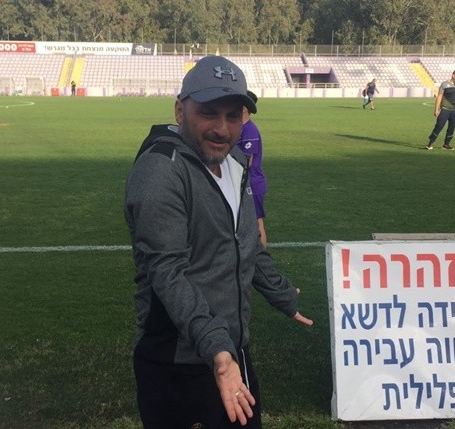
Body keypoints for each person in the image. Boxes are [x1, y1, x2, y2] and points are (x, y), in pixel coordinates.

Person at [123, 55, 313, 429]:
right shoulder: (161, 171)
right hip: (179, 364)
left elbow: (247, 244)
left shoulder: (235, 162)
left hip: (230, 353)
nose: (222, 129)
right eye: (209, 113)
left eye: (233, 115)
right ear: (180, 110)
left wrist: (281, 294)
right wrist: (219, 351)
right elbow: (168, 274)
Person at [237, 90, 268, 247]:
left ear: (244, 108)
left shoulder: (249, 130)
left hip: (252, 184)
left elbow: (247, 161)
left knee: (257, 221)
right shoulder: (240, 128)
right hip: (244, 183)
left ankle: (263, 255)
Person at [426, 69, 455, 150]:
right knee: (439, 126)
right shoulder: (444, 84)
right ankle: (431, 142)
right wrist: (436, 109)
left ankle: (446, 144)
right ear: (453, 75)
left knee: (451, 127)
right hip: (445, 109)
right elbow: (439, 97)